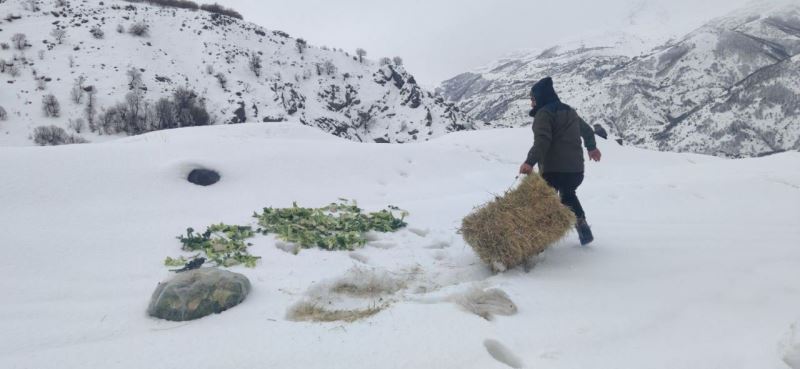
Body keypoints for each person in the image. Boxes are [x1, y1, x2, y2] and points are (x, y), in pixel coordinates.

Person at [519, 77, 601, 245]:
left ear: (541, 97)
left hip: (553, 170)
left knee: (543, 200)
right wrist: (591, 148)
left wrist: (529, 162)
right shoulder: (569, 111)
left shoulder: (544, 114)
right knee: (568, 195)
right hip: (576, 170)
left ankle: (539, 238)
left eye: (533, 99)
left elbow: (542, 141)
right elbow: (587, 131)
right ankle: (581, 224)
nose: (531, 103)